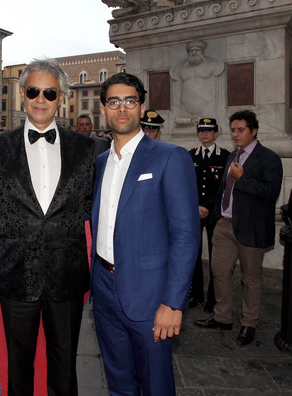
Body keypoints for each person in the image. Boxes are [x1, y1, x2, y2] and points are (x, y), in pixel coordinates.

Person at [0, 58, 95, 395]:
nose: (40, 99)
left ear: (60, 97)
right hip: (16, 274)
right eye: (33, 90)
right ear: (22, 94)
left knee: (65, 368)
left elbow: (98, 203)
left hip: (68, 274)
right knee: (19, 367)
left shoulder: (88, 148)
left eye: (49, 92)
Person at [91, 72, 200, 395]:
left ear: (141, 108)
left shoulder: (170, 157)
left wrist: (173, 302)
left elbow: (185, 234)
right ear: (104, 110)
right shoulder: (99, 162)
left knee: (155, 385)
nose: (121, 108)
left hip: (151, 296)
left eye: (130, 101)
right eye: (114, 101)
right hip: (105, 290)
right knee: (119, 383)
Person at [194, 110, 282, 346]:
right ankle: (223, 317)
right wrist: (217, 217)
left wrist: (243, 178)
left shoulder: (268, 158)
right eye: (233, 130)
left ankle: (248, 323)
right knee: (220, 272)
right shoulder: (232, 155)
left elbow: (270, 193)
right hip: (224, 225)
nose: (236, 134)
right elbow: (223, 190)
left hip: (250, 229)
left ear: (254, 131)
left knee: (251, 279)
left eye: (241, 130)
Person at [188, 118, 229, 311]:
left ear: (216, 133)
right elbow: (186, 184)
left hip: (215, 214)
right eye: (201, 130)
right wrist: (195, 205)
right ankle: (195, 294)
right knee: (193, 255)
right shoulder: (190, 155)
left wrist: (209, 206)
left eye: (208, 130)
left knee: (216, 257)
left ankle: (213, 299)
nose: (204, 134)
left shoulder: (225, 157)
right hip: (194, 212)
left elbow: (224, 187)